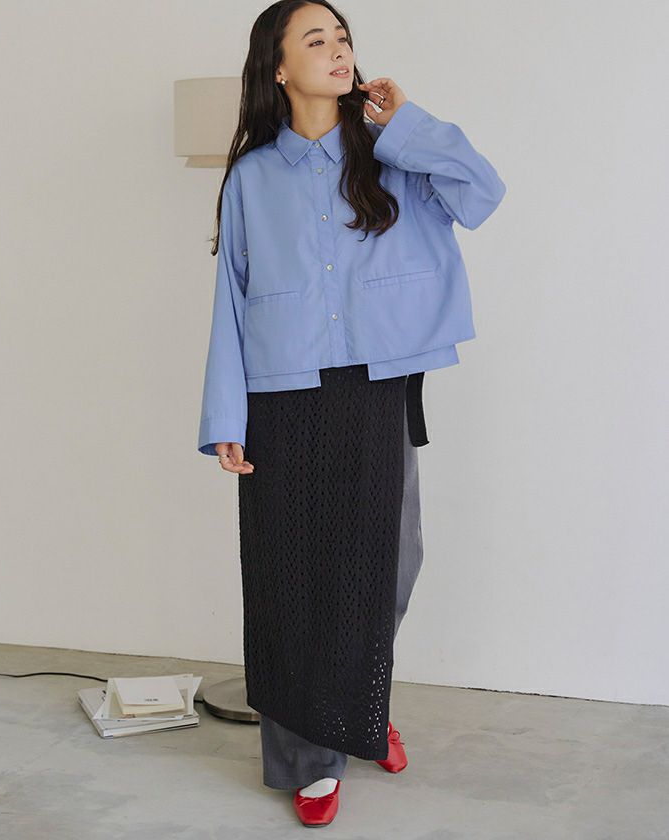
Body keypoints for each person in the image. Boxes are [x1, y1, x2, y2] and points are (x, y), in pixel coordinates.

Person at [196, 0, 506, 827]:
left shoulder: (393, 151)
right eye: (316, 40)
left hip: (376, 383)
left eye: (343, 38)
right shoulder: (252, 177)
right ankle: (313, 757)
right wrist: (225, 415)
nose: (337, 50)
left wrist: (408, 124)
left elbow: (483, 194)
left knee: (387, 564)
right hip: (280, 393)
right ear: (278, 68)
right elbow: (231, 299)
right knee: (289, 579)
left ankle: (353, 707)